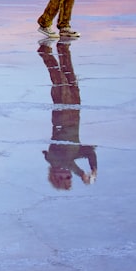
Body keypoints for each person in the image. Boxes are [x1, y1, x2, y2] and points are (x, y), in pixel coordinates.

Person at [39, 39, 97, 189]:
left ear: (54, 175)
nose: (67, 173)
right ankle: (63, 48)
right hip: (74, 114)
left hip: (62, 115)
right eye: (68, 176)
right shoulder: (73, 156)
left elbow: (67, 163)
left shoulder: (55, 160)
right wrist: (94, 168)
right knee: (70, 77)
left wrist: (81, 173)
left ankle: (45, 52)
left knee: (60, 80)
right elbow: (90, 151)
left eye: (62, 177)